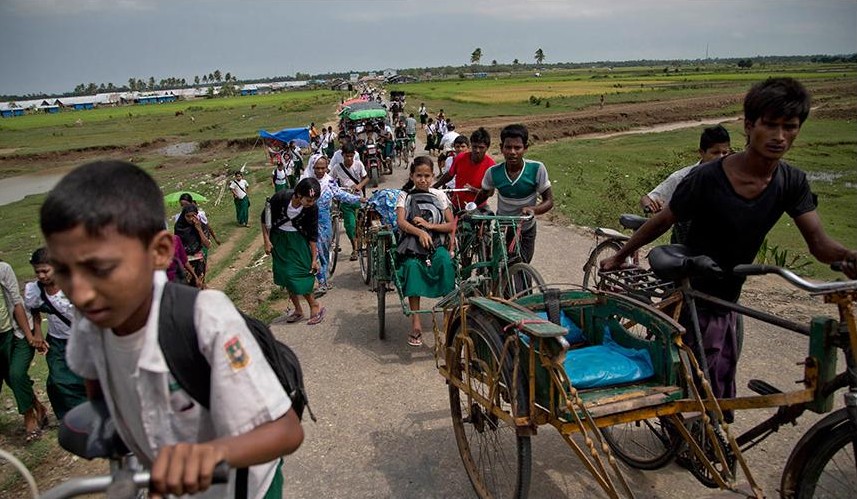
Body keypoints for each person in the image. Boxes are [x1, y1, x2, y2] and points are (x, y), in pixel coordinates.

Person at [41, 160, 303, 498]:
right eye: (62, 270)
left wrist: (208, 455)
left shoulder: (205, 318)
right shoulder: (90, 321)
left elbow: (285, 432)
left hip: (242, 487)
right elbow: (97, 381)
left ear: (161, 251)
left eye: (101, 268)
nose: (80, 292)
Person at [601, 77, 857, 406]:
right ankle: (691, 428)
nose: (779, 137)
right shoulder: (706, 178)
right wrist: (623, 254)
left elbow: (819, 244)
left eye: (790, 127)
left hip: (730, 288)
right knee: (701, 375)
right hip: (695, 277)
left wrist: (848, 255)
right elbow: (663, 220)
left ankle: (706, 427)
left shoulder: (792, 182)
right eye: (770, 125)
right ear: (749, 126)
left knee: (720, 371)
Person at [395, 156, 455, 347]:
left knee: (445, 263)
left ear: (433, 176)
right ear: (412, 176)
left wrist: (430, 226)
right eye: (419, 175)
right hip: (412, 247)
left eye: (427, 176)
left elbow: (451, 224)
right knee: (412, 267)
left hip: (436, 246)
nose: (423, 179)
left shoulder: (439, 196)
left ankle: (448, 320)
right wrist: (420, 231)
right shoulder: (404, 196)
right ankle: (416, 323)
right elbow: (401, 222)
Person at [474, 124, 553, 264]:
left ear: (525, 148)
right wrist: (471, 208)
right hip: (503, 228)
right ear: (501, 148)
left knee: (522, 270)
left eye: (517, 148)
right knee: (499, 269)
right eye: (508, 147)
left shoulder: (537, 169)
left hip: (526, 229)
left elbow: (549, 201)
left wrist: (533, 209)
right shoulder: (493, 172)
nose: (512, 152)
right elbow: (483, 194)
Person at [24, 248, 87, 422]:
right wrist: (37, 333)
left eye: (46, 270)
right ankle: (71, 417)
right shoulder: (35, 290)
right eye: (38, 272)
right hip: (57, 340)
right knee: (59, 379)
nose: (42, 275)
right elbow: (34, 310)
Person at [641, 125, 732, 244]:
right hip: (684, 246)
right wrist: (650, 205)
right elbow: (647, 199)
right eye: (715, 153)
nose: (720, 157)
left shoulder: (734, 177)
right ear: (702, 153)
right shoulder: (683, 177)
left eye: (725, 153)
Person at [261, 177, 327, 326]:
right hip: (279, 239)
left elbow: (312, 234)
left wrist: (314, 258)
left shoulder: (312, 209)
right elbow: (264, 219)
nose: (311, 203)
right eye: (308, 200)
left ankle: (314, 305)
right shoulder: (280, 198)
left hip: (298, 241)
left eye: (314, 200)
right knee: (285, 275)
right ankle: (298, 310)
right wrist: (266, 240)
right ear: (298, 194)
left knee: (299, 274)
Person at [1, 259, 48, 443]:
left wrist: (31, 336)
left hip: (17, 333)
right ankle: (38, 407)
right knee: (11, 378)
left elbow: (16, 302)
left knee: (16, 374)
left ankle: (29, 417)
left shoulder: (3, 269)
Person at [308, 156, 362, 296]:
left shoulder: (329, 182)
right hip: (307, 222)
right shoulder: (305, 182)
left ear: (327, 168)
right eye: (317, 168)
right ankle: (321, 282)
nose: (320, 171)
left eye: (323, 168)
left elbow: (340, 195)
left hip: (324, 222)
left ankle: (323, 279)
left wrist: (358, 199)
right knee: (313, 252)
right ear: (312, 167)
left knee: (323, 252)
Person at [434, 127, 495, 210]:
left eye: (481, 147)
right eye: (475, 146)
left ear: (487, 148)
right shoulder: (460, 158)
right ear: (471, 146)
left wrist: (473, 190)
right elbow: (449, 175)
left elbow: (490, 193)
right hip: (457, 204)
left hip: (478, 207)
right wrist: (434, 187)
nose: (477, 150)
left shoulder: (491, 165)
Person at [329, 143, 369, 261]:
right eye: (347, 156)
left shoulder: (358, 165)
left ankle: (363, 246)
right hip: (345, 201)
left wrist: (360, 185)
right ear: (343, 155)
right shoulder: (337, 168)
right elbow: (330, 180)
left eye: (351, 156)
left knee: (360, 225)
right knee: (350, 226)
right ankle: (355, 249)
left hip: (358, 199)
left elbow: (366, 177)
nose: (349, 159)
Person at [174, 204, 211, 289]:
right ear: (184, 216)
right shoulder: (179, 227)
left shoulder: (200, 225)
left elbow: (207, 245)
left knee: (199, 284)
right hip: (185, 262)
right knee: (187, 286)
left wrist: (199, 229)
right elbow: (178, 246)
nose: (191, 219)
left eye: (193, 216)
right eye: (188, 216)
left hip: (199, 261)